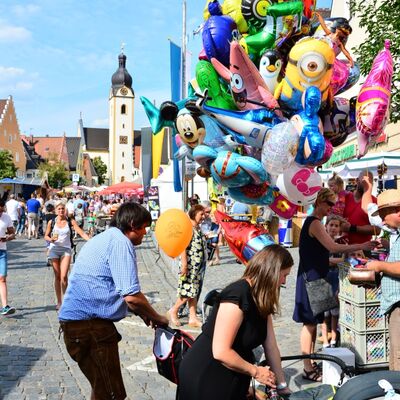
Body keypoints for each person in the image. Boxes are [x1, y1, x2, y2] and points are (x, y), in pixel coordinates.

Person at [58, 202, 168, 400]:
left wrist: (143, 313)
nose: (145, 232)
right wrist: (158, 318)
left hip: (81, 326)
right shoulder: (120, 242)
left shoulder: (106, 238)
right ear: (133, 224)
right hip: (89, 328)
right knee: (110, 393)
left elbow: (110, 288)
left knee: (102, 390)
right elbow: (132, 296)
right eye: (144, 227)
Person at [178, 245, 293, 400]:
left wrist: (282, 386)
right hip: (207, 373)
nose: (284, 282)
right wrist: (257, 372)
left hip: (233, 373)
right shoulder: (237, 294)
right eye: (284, 275)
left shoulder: (261, 297)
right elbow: (221, 351)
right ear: (271, 272)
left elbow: (271, 346)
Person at [293, 188, 376, 382]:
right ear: (320, 202)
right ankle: (307, 366)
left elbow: (322, 255)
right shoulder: (314, 222)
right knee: (309, 324)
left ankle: (310, 362)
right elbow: (333, 247)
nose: (332, 208)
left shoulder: (315, 223)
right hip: (311, 279)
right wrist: (361, 246)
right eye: (330, 204)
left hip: (316, 277)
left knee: (314, 322)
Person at [366, 188, 400, 371]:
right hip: (395, 303)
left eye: (384, 215)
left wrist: (379, 266)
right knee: (395, 353)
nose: (383, 220)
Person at [45, 201, 90, 310]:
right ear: (56, 210)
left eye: (62, 209)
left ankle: (66, 300)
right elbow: (46, 235)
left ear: (65, 210)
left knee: (64, 276)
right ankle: (59, 301)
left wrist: (91, 240)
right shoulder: (52, 222)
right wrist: (50, 239)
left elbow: (81, 233)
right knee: (57, 276)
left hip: (66, 249)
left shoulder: (70, 221)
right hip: (54, 249)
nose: (61, 211)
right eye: (59, 209)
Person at [168, 204, 206, 328]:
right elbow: (182, 246)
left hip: (196, 266)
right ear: (194, 214)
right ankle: (174, 310)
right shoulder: (188, 228)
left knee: (193, 291)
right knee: (187, 291)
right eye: (201, 214)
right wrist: (184, 264)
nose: (204, 217)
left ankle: (192, 317)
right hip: (189, 266)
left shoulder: (197, 228)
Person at [321, 214, 347, 348]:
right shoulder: (321, 242)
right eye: (331, 225)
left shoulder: (342, 243)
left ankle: (334, 339)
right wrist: (333, 261)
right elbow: (323, 261)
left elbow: (343, 260)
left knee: (335, 313)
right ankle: (325, 340)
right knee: (324, 314)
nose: (333, 228)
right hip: (324, 279)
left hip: (336, 279)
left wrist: (332, 261)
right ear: (326, 226)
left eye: (336, 226)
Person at [342, 170, 381, 245]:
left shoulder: (374, 202)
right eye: (364, 180)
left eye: (370, 181)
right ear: (357, 180)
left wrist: (352, 228)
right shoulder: (345, 197)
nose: (367, 184)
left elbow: (377, 229)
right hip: (342, 247)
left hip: (363, 249)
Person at [0, 199, 16, 315]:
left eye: (1, 211)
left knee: (2, 278)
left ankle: (5, 306)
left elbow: (12, 233)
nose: (0, 213)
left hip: (2, 251)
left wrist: (7, 238)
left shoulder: (6, 217)